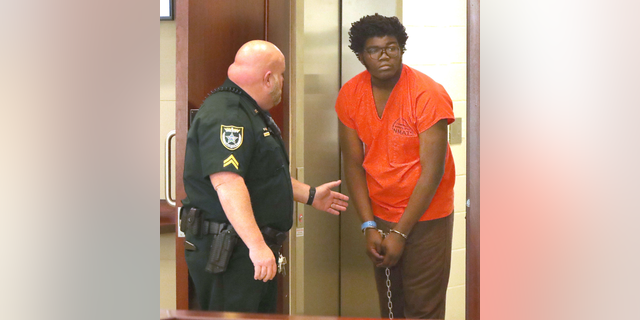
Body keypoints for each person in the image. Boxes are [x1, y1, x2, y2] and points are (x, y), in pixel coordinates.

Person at [181, 40, 349, 313]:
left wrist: (310, 194)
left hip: (243, 249)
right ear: (268, 78)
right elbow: (228, 183)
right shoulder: (229, 114)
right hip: (231, 253)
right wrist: (257, 246)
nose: (283, 82)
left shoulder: (249, 111)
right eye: (282, 75)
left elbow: (260, 178)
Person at [335, 14, 456, 319]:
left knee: (422, 309)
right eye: (374, 50)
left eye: (392, 47)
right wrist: (368, 225)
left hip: (427, 215)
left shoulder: (427, 93)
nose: (384, 55)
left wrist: (400, 234)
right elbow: (352, 163)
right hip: (380, 212)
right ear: (361, 57)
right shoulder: (350, 94)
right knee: (392, 307)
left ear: (402, 49)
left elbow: (433, 171)